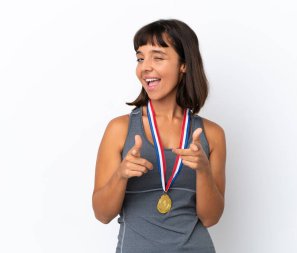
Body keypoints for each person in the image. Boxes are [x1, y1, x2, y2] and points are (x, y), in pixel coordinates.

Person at [92, 19, 226, 253]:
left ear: (183, 65)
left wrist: (203, 170)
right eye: (140, 58)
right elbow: (102, 214)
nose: (145, 67)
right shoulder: (119, 129)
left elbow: (210, 218)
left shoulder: (212, 135)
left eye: (158, 57)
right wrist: (121, 175)